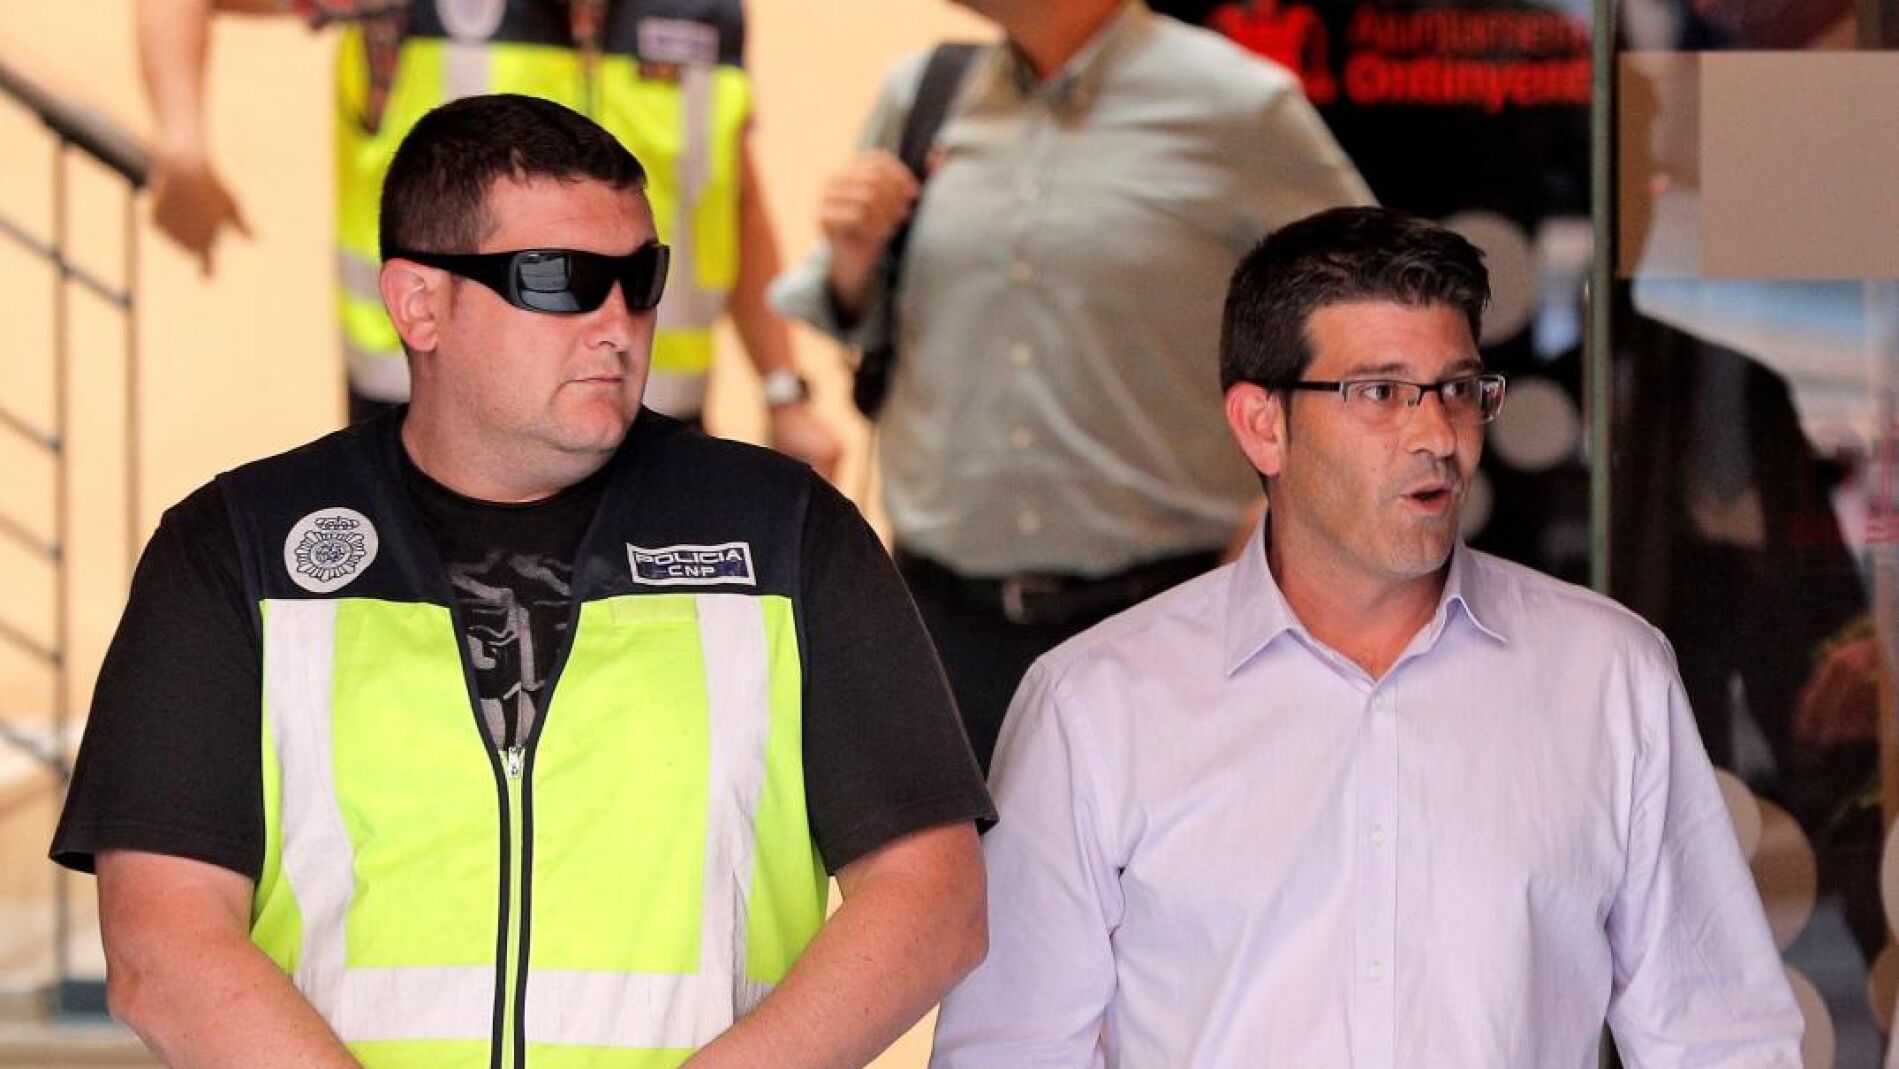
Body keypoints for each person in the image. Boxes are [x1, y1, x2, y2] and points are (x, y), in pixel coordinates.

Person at [52, 94, 992, 1069]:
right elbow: (163, 941)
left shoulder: (788, 536)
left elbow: (932, 895)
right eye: (558, 280)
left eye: (639, 278)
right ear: (419, 304)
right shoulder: (236, 548)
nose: (618, 323)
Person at [929, 206, 1803, 1068]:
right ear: (1262, 423)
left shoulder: (1608, 676)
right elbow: (1011, 1048)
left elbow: (1719, 1037)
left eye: (1458, 390)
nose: (1437, 436)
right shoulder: (1095, 704)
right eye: (1379, 393)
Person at [771, 0, 1374, 770]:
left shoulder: (1238, 106)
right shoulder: (924, 96)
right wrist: (853, 258)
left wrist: (1286, 513)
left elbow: (1377, 322)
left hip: (1164, 621)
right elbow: (858, 315)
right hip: (937, 627)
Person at [137, 0, 841, 475]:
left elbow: (732, 200)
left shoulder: (705, 11)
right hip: (436, 424)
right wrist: (183, 147)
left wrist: (785, 392)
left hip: (645, 421)